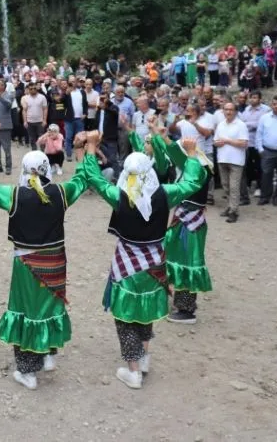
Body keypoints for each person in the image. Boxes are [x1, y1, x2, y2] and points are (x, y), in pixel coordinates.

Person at [0, 137, 88, 390]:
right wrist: (86, 151)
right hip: (55, 259)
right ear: (47, 168)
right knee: (51, 304)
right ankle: (49, 353)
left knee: (27, 310)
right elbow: (83, 179)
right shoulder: (61, 192)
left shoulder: (14, 195)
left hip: (27, 262)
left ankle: (28, 371)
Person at [81, 131, 203, 389]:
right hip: (156, 263)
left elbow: (93, 177)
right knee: (146, 311)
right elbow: (192, 183)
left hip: (127, 263)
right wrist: (192, 156)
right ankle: (144, 357)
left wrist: (91, 148)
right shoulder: (165, 194)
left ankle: (133, 370)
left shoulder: (119, 196)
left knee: (125, 317)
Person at [151, 131, 215, 325]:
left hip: (191, 225)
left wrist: (183, 149)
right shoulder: (193, 167)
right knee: (172, 257)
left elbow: (179, 156)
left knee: (188, 263)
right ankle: (175, 297)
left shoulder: (200, 170)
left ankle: (187, 310)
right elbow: (176, 155)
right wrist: (162, 137)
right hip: (183, 220)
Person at [213, 103, 249, 222]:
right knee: (226, 186)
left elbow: (244, 143)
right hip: (222, 159)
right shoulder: (220, 125)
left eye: (231, 110)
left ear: (235, 111)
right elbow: (215, 141)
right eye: (226, 109)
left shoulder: (241, 125)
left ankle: (234, 211)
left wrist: (227, 140)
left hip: (236, 161)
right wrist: (218, 143)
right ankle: (230, 206)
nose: (228, 112)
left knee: (234, 187)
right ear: (223, 111)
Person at [21, 83, 48, 150]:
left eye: (34, 88)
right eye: (31, 89)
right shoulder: (25, 98)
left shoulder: (42, 97)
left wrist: (44, 120)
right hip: (30, 121)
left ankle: (42, 152)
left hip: (40, 121)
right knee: (32, 138)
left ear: (37, 89)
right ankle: (34, 152)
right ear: (28, 89)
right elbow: (24, 110)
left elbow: (45, 109)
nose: (33, 90)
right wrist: (25, 121)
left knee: (41, 138)